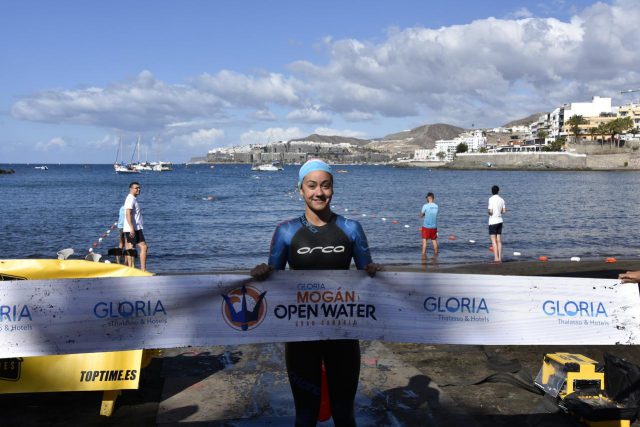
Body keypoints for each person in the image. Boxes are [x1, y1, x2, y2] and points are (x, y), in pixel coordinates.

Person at [251, 159, 382, 427]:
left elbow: (367, 276)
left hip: (343, 335)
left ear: (333, 189)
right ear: (300, 189)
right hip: (301, 337)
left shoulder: (351, 228)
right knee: (305, 415)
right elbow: (274, 281)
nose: (318, 192)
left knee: (344, 414)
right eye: (311, 186)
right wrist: (263, 273)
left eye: (325, 185)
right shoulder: (286, 231)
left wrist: (376, 273)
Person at [123, 182, 147, 271]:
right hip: (132, 228)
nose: (139, 189)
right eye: (136, 188)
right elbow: (127, 213)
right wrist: (131, 228)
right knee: (132, 248)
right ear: (131, 189)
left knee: (142, 247)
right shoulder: (130, 199)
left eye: (139, 188)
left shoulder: (133, 199)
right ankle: (131, 269)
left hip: (136, 228)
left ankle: (142, 270)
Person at [488, 185, 506, 263]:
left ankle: (496, 258)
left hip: (493, 221)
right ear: (498, 191)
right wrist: (499, 212)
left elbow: (490, 211)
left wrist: (488, 212)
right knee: (499, 240)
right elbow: (504, 211)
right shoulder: (502, 200)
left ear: (492, 191)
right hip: (500, 220)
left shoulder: (491, 199)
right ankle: (500, 258)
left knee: (493, 241)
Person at [419, 192, 439, 258]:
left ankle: (423, 256)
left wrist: (422, 214)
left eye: (427, 198)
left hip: (426, 226)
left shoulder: (425, 206)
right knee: (434, 241)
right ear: (433, 198)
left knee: (424, 241)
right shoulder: (436, 206)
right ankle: (436, 255)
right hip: (434, 227)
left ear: (428, 198)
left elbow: (421, 215)